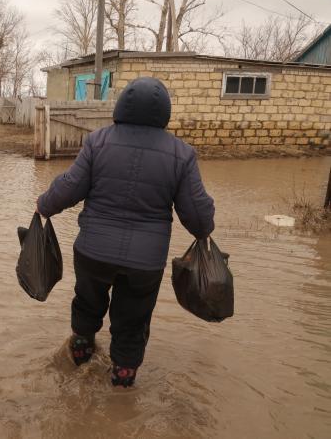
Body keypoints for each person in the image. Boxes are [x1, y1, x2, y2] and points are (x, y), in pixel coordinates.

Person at [36, 77, 215, 388]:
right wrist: (205, 229)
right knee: (133, 318)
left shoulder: (98, 141)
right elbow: (197, 216)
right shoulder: (182, 154)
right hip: (145, 263)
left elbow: (68, 187)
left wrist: (43, 206)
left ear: (121, 106)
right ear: (165, 113)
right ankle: (122, 380)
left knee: (87, 301)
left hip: (93, 252)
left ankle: (80, 352)